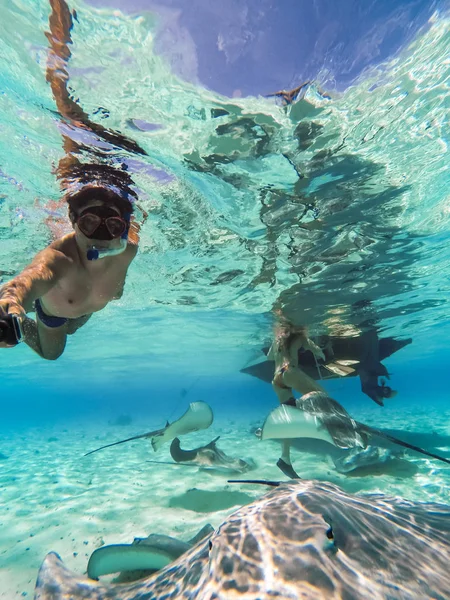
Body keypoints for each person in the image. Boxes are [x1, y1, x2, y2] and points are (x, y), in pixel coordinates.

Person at [0, 183, 138, 359]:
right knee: (52, 354)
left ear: (123, 228)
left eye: (113, 225)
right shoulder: (59, 258)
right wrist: (11, 301)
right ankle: (27, 318)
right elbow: (33, 276)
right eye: (89, 223)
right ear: (73, 219)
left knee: (71, 328)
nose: (100, 235)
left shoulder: (128, 251)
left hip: (82, 308)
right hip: (55, 312)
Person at [268, 316, 327, 478]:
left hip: (276, 379)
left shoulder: (277, 339)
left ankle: (284, 459)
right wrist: (320, 352)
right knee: (323, 397)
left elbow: (269, 357)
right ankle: (338, 428)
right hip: (289, 372)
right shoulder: (300, 335)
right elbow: (317, 351)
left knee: (290, 419)